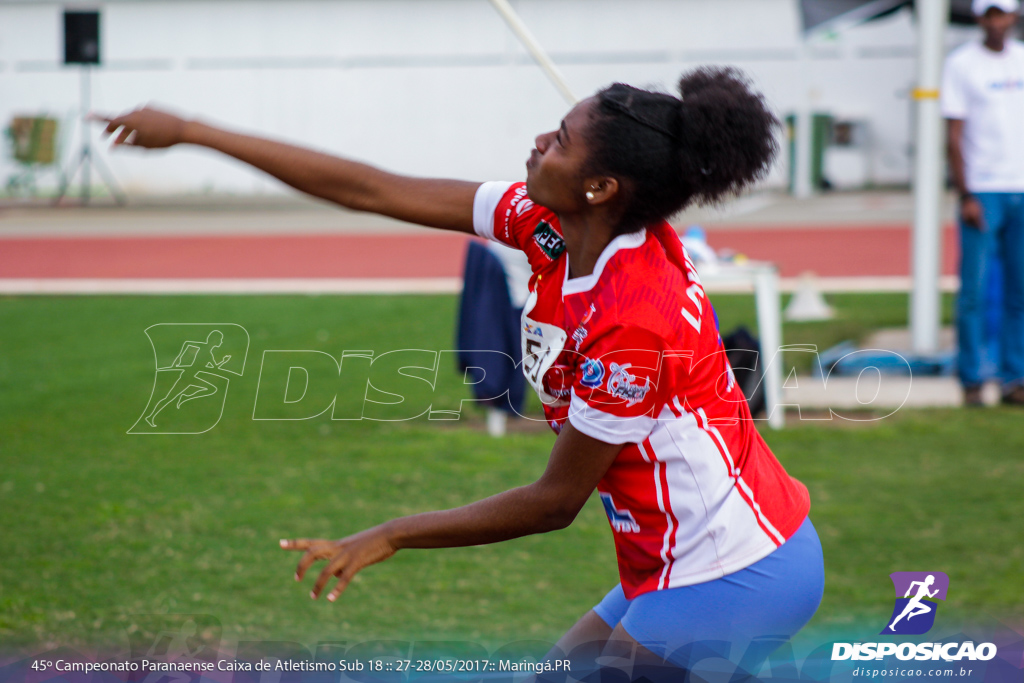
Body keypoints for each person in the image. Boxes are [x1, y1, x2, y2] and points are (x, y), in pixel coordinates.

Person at [98, 67, 824, 677]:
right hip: (678, 561)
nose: (540, 142)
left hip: (738, 571)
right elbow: (373, 190)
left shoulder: (633, 318)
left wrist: (391, 533)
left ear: (601, 187)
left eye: (561, 140)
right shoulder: (546, 226)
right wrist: (196, 132)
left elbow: (554, 501)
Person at [941, 0, 1024, 407]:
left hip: (1021, 188)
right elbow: (953, 135)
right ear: (979, 18)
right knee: (972, 290)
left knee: (1019, 291)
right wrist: (966, 193)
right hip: (984, 192)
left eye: (1003, 13)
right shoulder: (961, 64)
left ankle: (1015, 378)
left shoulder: (1022, 60)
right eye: (989, 14)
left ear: (1014, 16)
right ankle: (972, 379)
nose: (997, 22)